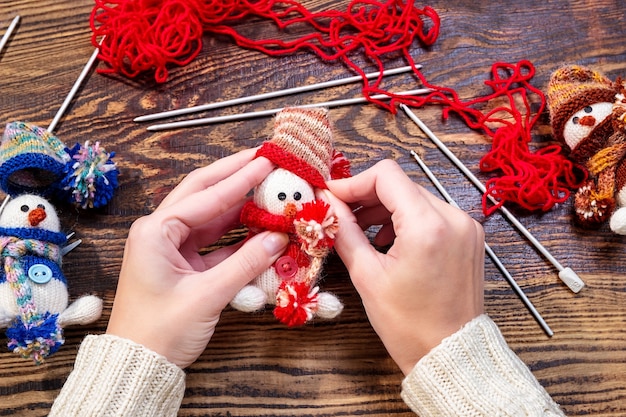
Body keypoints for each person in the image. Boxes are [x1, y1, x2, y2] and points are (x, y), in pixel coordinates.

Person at [49, 149, 564, 416]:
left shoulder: (314, 232)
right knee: (256, 283)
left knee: (291, 285)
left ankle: (301, 301)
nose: (294, 205)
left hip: (295, 284)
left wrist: (132, 358)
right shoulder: (262, 225)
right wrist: (459, 360)